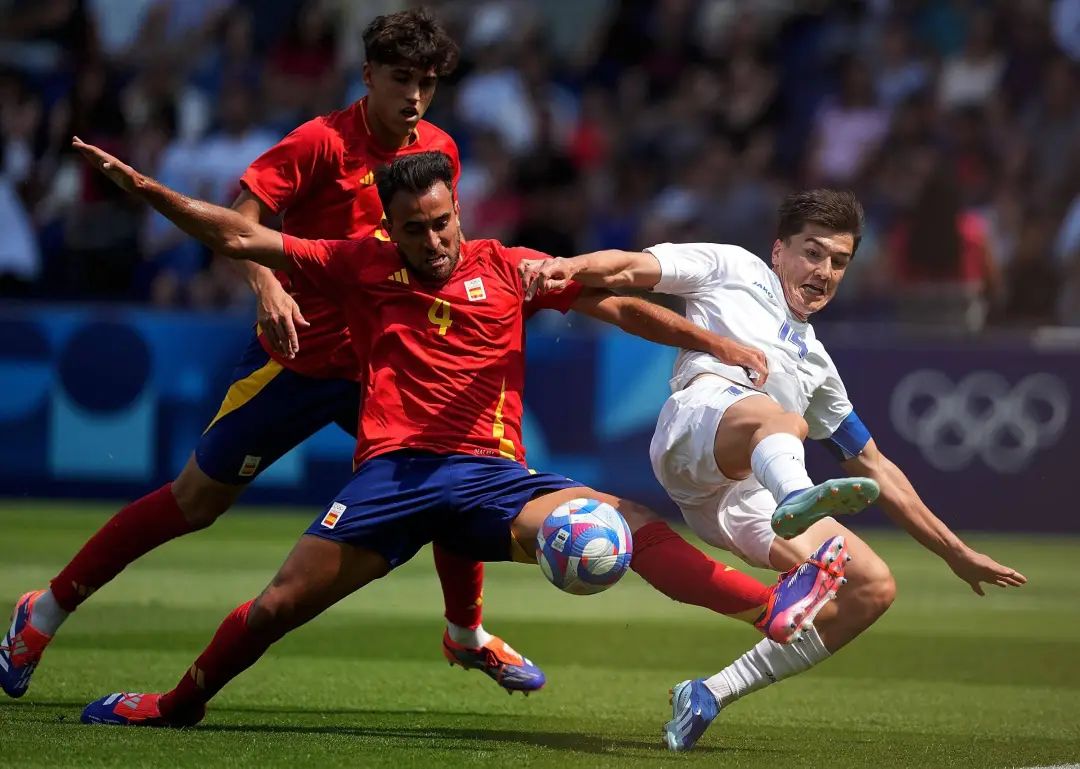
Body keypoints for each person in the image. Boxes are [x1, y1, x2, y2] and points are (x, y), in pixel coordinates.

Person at [68, 144, 852, 728]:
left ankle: (772, 607)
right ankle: (177, 703)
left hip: (490, 478)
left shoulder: (508, 268)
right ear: (393, 228)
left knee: (630, 524)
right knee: (275, 608)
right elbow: (243, 239)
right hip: (393, 479)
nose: (436, 239)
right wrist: (146, 190)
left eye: (444, 221)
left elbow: (610, 304)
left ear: (459, 211)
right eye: (418, 228)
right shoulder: (358, 264)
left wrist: (719, 345)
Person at [0, 8, 545, 699]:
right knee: (194, 501)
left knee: (453, 472)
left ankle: (466, 634)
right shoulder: (319, 143)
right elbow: (242, 222)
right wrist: (266, 288)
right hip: (294, 359)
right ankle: (42, 611)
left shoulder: (436, 150)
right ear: (367, 74)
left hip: (379, 368)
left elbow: (435, 251)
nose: (413, 96)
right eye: (400, 78)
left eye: (427, 83)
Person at [517, 188, 1028, 751]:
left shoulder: (818, 365)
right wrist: (570, 265)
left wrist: (956, 553)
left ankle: (709, 692)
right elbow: (633, 266)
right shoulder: (733, 267)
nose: (823, 272)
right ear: (778, 251)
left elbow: (875, 465)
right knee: (781, 422)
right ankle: (796, 494)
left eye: (839, 261)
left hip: (736, 499)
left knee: (872, 587)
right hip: (694, 425)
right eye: (813, 253)